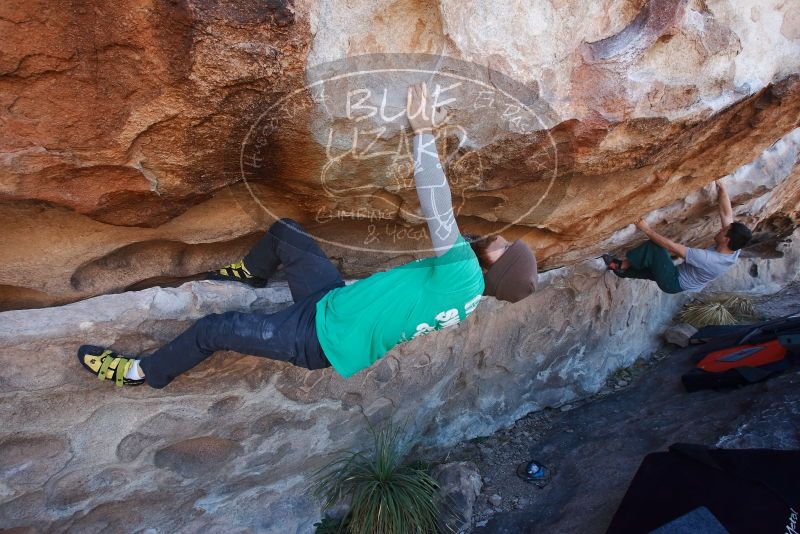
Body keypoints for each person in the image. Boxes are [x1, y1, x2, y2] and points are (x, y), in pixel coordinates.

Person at [77, 82, 539, 388]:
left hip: (315, 338)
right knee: (287, 233)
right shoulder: (469, 293)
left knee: (212, 330)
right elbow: (463, 237)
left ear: (496, 266)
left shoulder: (462, 275)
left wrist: (422, 133)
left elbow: (438, 209)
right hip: (329, 304)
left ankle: (142, 373)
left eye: (503, 247)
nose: (496, 239)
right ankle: (250, 274)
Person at [603, 179, 752, 294]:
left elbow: (670, 247)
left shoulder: (709, 259)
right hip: (682, 280)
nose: (720, 230)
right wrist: (722, 187)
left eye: (723, 231)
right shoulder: (734, 247)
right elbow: (727, 214)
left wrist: (646, 230)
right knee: (653, 268)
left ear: (727, 240)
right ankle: (619, 270)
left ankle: (623, 265)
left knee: (655, 249)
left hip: (673, 283)